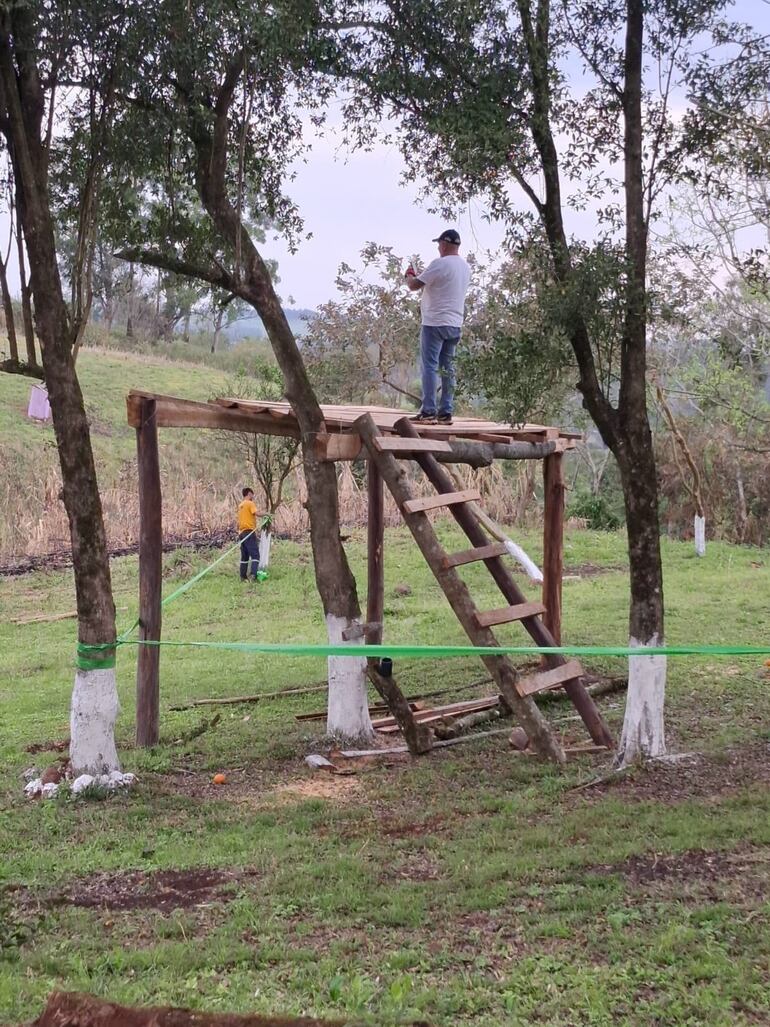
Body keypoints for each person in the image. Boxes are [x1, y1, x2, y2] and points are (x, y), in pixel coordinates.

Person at [405, 228, 471, 425]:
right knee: (448, 369)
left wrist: (409, 274)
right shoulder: (465, 267)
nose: (438, 248)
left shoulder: (440, 264)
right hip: (455, 323)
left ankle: (428, 411)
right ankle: (446, 412)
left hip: (434, 322)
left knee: (430, 367)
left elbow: (414, 285)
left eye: (439, 244)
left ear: (444, 244)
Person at [237, 487, 260, 581]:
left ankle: (243, 577)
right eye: (252, 494)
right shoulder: (250, 503)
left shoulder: (240, 505)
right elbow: (257, 513)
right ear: (249, 494)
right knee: (255, 555)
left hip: (241, 533)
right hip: (249, 532)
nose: (253, 496)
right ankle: (253, 575)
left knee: (245, 556)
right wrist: (267, 515)